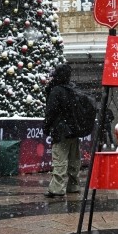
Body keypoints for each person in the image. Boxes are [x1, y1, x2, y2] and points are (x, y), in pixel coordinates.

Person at [43, 64, 82, 198]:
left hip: (61, 131)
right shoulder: (73, 90)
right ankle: (74, 185)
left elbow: (51, 112)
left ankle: (57, 189)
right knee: (74, 160)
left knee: (59, 159)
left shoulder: (56, 91)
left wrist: (47, 127)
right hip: (74, 130)